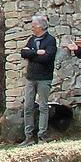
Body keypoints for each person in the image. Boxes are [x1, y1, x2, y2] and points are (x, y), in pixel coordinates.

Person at [16, 15, 57, 145]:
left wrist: (31, 54)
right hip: (31, 77)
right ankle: (28, 137)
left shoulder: (50, 40)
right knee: (28, 107)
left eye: (33, 26)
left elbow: (47, 58)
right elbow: (23, 53)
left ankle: (42, 136)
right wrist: (37, 52)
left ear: (40, 26)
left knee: (43, 107)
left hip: (44, 78)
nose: (32, 28)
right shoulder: (32, 39)